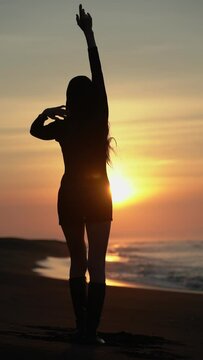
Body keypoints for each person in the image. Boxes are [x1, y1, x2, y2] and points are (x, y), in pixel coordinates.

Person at [30, 4, 113, 345]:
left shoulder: (63, 127)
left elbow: (36, 131)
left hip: (69, 195)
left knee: (77, 263)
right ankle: (91, 333)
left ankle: (81, 329)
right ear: (93, 98)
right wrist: (89, 35)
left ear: (68, 99)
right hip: (97, 195)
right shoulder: (98, 121)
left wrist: (46, 112)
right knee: (96, 264)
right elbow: (100, 76)